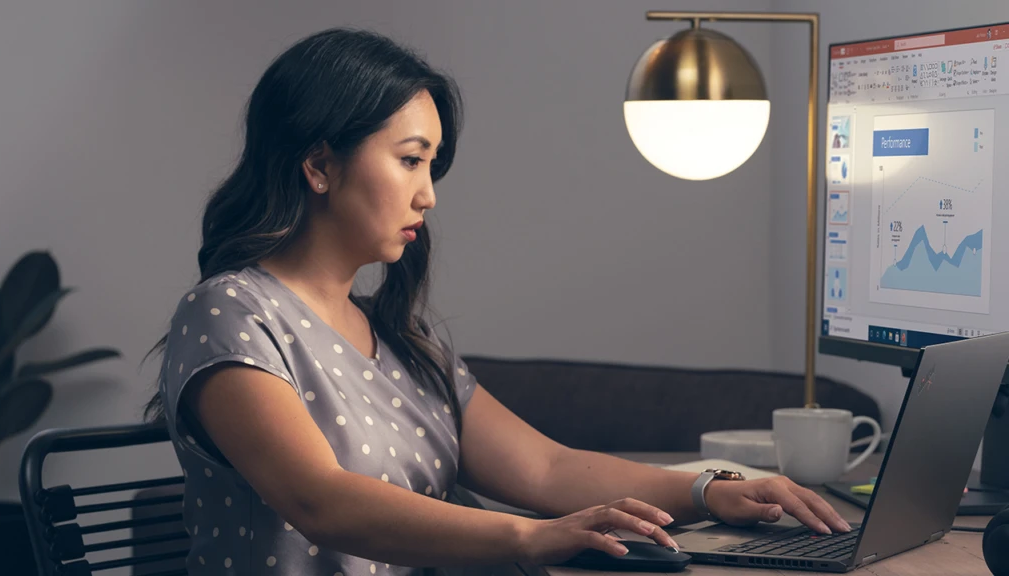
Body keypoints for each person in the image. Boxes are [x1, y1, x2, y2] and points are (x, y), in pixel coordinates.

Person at [143, 27, 849, 576]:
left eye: (431, 165)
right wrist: (530, 537)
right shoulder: (229, 312)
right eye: (410, 159)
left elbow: (545, 468)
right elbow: (318, 501)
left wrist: (708, 490)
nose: (429, 193)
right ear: (320, 165)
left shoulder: (393, 334)